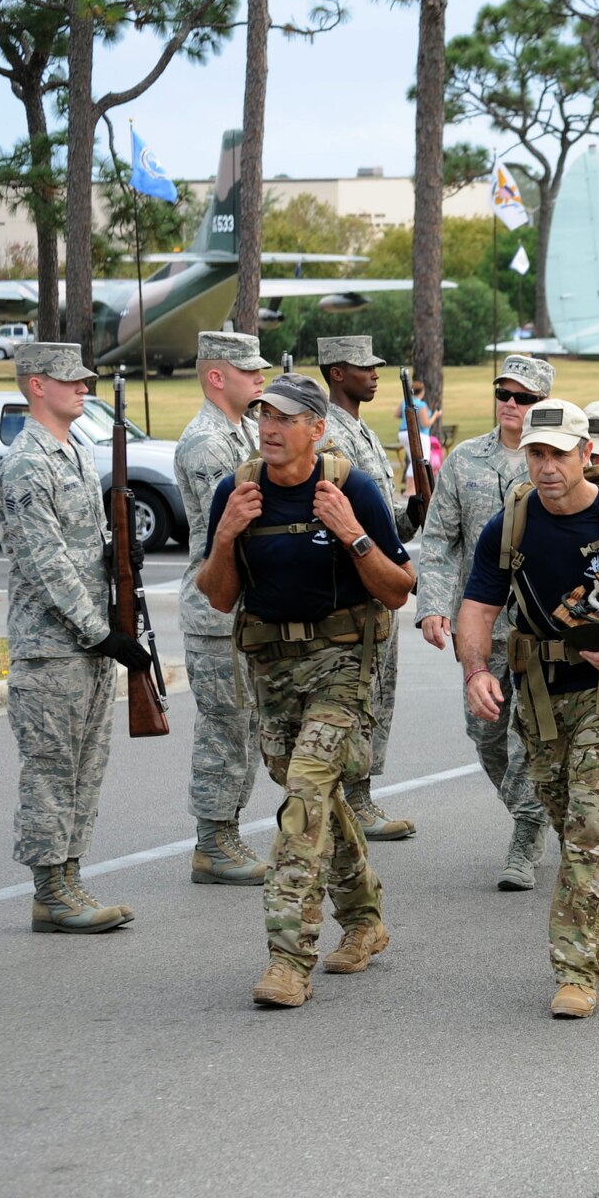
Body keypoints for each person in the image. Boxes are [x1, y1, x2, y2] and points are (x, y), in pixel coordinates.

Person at [455, 399, 599, 1019]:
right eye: (536, 452)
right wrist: (477, 670)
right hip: (541, 696)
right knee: (572, 827)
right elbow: (478, 606)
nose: (548, 465)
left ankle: (575, 970)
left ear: (588, 453)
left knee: (589, 825)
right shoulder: (508, 526)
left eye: (560, 452)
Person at [198, 372, 413, 1007]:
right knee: (313, 797)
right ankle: (368, 921)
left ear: (316, 430)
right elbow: (219, 598)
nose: (268, 427)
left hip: (341, 663)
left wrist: (352, 532)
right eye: (263, 415)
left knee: (302, 800)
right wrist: (225, 537)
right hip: (272, 671)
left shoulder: (352, 489)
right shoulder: (235, 491)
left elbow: (398, 589)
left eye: (284, 419)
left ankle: (289, 958)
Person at [0, 344, 139, 934]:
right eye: (70, 381)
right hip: (51, 647)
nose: (84, 388)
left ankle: (71, 877)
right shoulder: (27, 463)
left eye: (86, 380)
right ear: (36, 386)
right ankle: (50, 891)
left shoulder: (75, 451)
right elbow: (47, 563)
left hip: (88, 646)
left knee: (86, 769)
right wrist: (101, 632)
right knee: (52, 773)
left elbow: (95, 549)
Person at [413, 355, 555, 891]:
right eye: (505, 394)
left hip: (542, 627)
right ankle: (529, 810)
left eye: (524, 398)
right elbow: (440, 540)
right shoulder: (465, 460)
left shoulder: (555, 457)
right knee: (488, 733)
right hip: (483, 626)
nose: (511, 405)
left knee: (529, 736)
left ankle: (527, 830)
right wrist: (431, 604)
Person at [174, 331, 269, 885]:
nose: (260, 378)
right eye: (248, 370)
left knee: (246, 722)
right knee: (224, 726)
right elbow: (232, 527)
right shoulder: (206, 443)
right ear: (217, 377)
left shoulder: (246, 430)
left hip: (243, 605)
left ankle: (226, 830)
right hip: (217, 608)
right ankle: (212, 840)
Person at [316, 335, 416, 843]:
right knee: (357, 697)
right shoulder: (327, 434)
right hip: (358, 584)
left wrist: (409, 517)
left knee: (379, 695)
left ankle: (362, 795)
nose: (374, 374)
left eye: (377, 366)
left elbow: (381, 518)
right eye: (363, 368)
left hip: (381, 578)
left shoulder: (364, 431)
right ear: (336, 373)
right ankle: (353, 798)